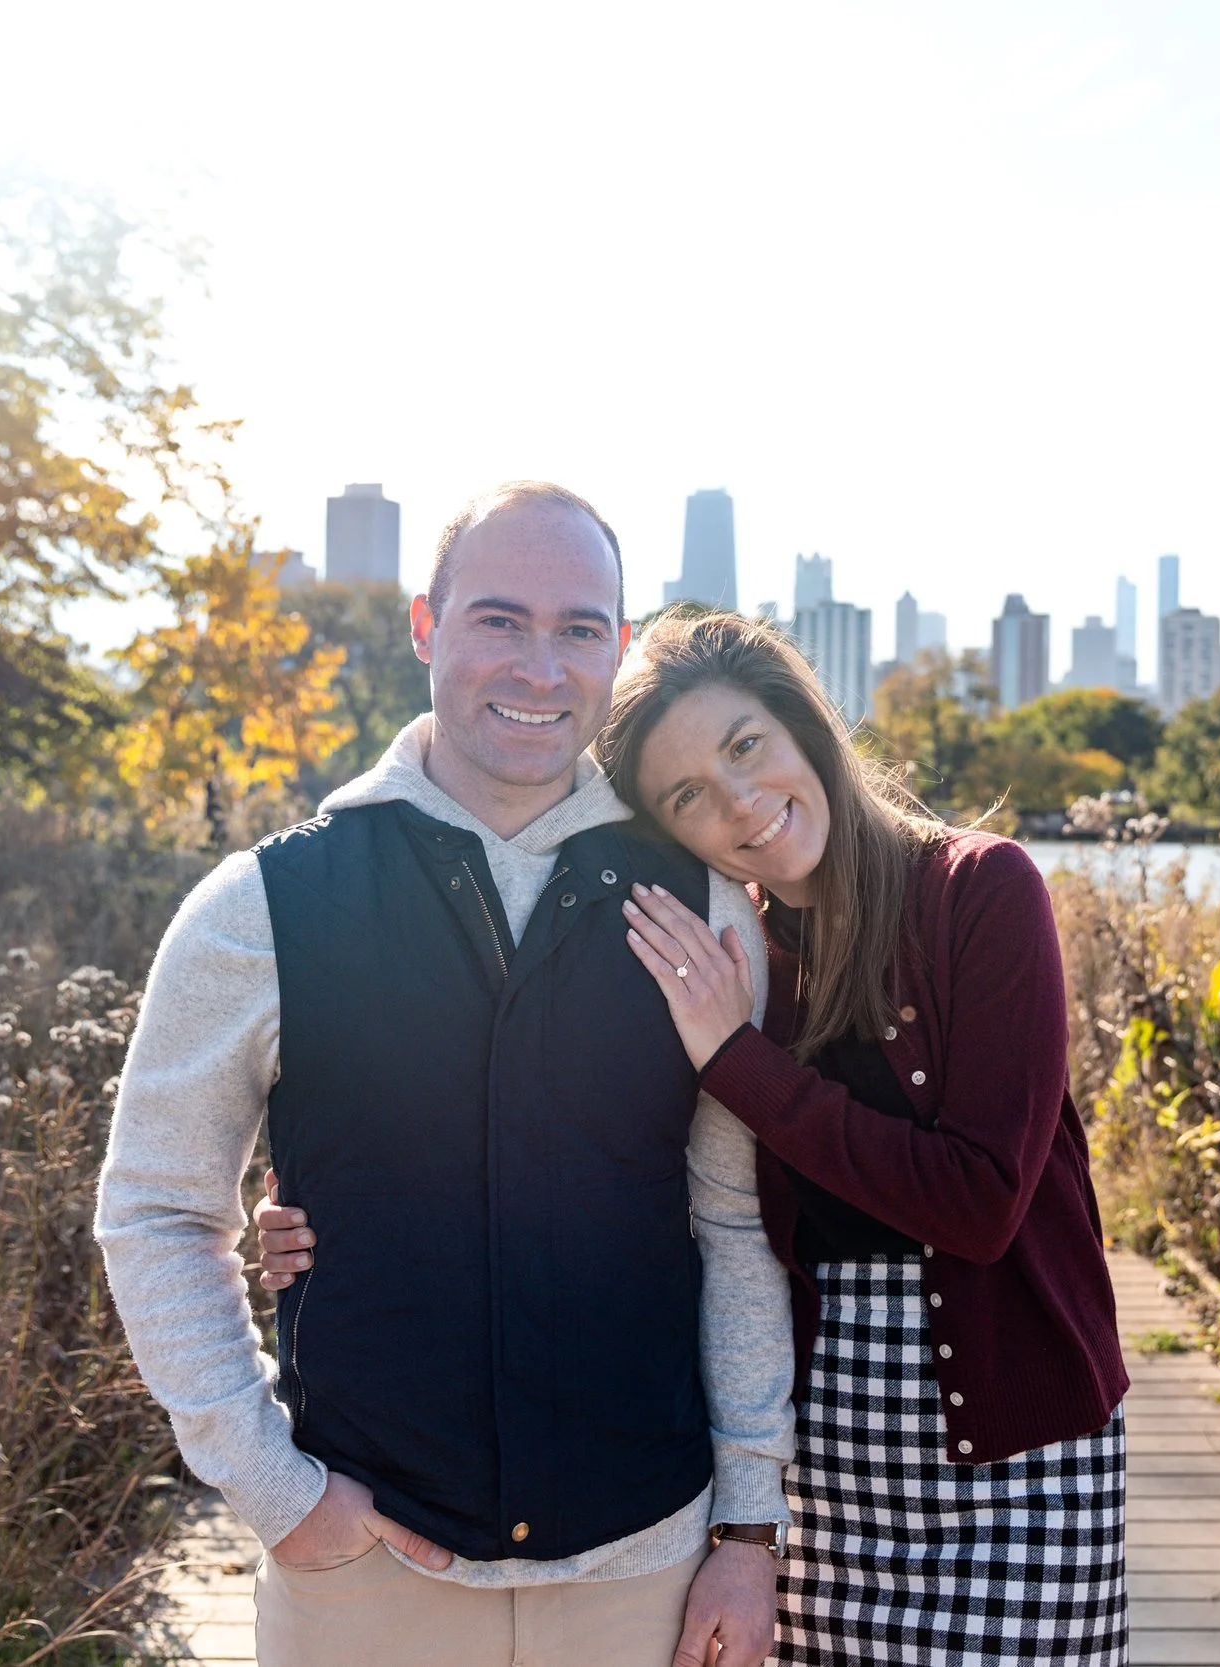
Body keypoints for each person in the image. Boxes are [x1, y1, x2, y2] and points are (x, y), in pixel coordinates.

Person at [259, 609, 1131, 1664]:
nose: (741, 802)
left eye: (746, 745)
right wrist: (332, 1217)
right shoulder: (724, 945)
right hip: (815, 1475)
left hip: (1013, 1464)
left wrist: (736, 1058)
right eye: (688, 796)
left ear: (802, 721)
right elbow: (633, 1174)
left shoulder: (979, 891)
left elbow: (980, 1202)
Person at [96, 486, 798, 1667]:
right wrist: (274, 1488)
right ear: (425, 626)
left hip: (648, 1567)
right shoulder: (262, 906)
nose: (538, 662)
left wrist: (747, 1524)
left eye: (579, 626)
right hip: (368, 1574)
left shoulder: (708, 907)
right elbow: (158, 1210)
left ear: (618, 650)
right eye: (498, 619)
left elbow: (732, 1227)